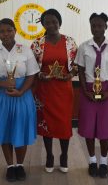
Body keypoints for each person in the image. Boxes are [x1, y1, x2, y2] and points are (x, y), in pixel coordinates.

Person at [0, 18, 39, 182]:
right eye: (2, 31)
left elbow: (32, 75)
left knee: (20, 130)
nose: (5, 34)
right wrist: (3, 84)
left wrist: (21, 91)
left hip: (22, 96)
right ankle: (9, 166)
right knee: (5, 131)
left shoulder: (25, 50)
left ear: (15, 31)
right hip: (1, 97)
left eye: (9, 30)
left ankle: (20, 165)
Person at [75, 13, 108, 178]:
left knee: (104, 128)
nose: (96, 28)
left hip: (107, 90)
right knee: (88, 127)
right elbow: (80, 70)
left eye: (100, 25)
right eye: (93, 25)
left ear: (105, 27)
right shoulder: (84, 47)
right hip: (88, 89)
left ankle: (103, 161)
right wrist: (84, 90)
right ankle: (92, 160)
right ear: (90, 27)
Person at [31, 9, 78, 173]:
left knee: (64, 125)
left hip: (64, 91)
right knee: (47, 125)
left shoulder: (70, 42)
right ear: (43, 24)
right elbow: (32, 67)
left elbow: (77, 66)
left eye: (54, 21)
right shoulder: (37, 44)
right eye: (47, 22)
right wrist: (40, 74)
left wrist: (70, 74)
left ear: (59, 22)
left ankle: (64, 156)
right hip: (45, 91)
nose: (51, 25)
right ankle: (50, 156)